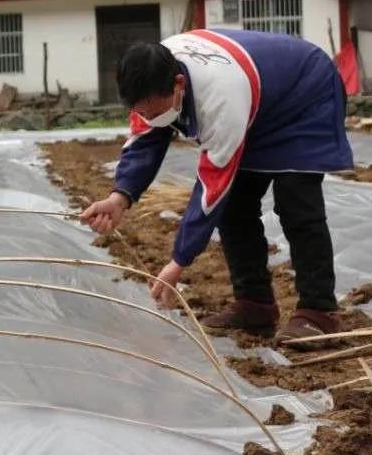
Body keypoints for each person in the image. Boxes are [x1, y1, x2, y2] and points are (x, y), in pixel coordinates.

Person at [80, 29, 353, 343]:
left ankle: (319, 313)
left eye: (154, 112)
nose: (149, 118)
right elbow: (145, 140)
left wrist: (178, 261)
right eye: (142, 112)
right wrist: (119, 197)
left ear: (179, 84)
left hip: (304, 93)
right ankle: (255, 304)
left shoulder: (220, 96)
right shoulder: (150, 79)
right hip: (258, 100)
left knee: (296, 202)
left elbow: (212, 187)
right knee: (235, 207)